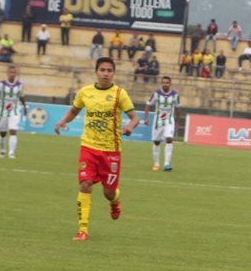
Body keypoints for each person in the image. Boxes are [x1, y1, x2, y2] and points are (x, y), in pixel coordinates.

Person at [53, 57, 139, 240]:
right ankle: (83, 230)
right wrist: (62, 120)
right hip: (89, 147)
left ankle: (115, 201)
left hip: (111, 150)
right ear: (96, 71)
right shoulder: (85, 92)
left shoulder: (119, 94)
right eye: (102, 70)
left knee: (108, 192)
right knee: (85, 184)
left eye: (109, 70)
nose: (105, 73)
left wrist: (130, 127)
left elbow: (134, 117)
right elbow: (74, 111)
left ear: (113, 73)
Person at [0, 65, 29, 159]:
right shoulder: (1, 84)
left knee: (13, 130)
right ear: (7, 73)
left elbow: (22, 96)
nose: (12, 74)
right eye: (11, 72)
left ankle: (11, 152)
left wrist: (24, 107)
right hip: (3, 110)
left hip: (14, 110)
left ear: (16, 74)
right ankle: (2, 150)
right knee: (3, 133)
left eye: (14, 72)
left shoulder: (20, 85)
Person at [145, 76, 180, 172]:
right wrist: (146, 118)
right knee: (156, 142)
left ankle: (167, 164)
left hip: (169, 120)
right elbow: (148, 105)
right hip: (158, 121)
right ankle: (156, 164)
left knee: (169, 139)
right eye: (163, 82)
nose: (165, 84)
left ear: (170, 84)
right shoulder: (156, 94)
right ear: (161, 83)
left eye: (167, 82)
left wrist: (177, 122)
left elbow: (177, 109)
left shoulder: (175, 95)